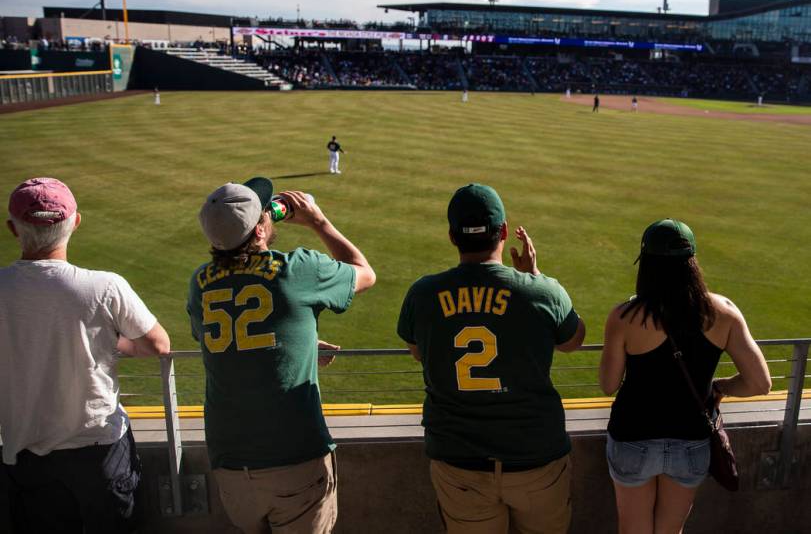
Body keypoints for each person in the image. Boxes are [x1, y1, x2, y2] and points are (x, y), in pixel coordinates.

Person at [188, 177, 375, 534]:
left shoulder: (199, 284)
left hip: (230, 464)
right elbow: (365, 273)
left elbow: (231, 341)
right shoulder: (297, 269)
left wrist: (299, 342)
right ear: (260, 230)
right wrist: (319, 221)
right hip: (295, 458)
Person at [398, 183, 586, 534]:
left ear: (453, 237)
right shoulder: (543, 291)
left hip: (459, 462)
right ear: (502, 232)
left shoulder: (422, 294)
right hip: (536, 458)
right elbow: (573, 341)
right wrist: (536, 277)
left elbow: (418, 353)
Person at [0, 177, 171, 533]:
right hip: (99, 453)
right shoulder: (104, 286)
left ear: (13, 229)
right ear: (75, 223)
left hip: (22, 456)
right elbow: (158, 345)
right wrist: (115, 343)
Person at [599, 219, 771, 534]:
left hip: (633, 436)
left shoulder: (624, 317)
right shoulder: (725, 313)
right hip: (691, 442)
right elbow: (760, 383)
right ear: (692, 262)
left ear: (647, 263)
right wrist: (723, 387)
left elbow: (608, 385)